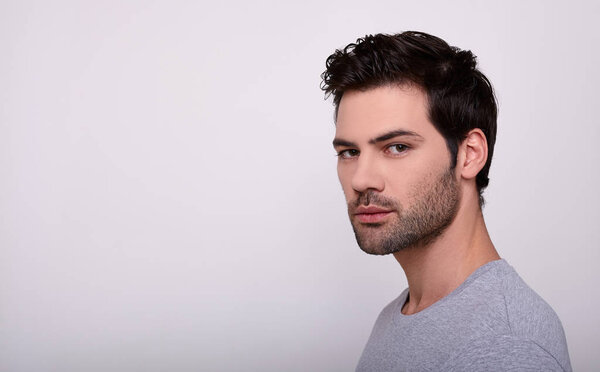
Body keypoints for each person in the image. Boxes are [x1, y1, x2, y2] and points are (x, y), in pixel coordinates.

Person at [320, 31, 571, 371]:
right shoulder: (404, 312)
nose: (361, 179)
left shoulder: (505, 348)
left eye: (397, 147)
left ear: (469, 156)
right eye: (349, 152)